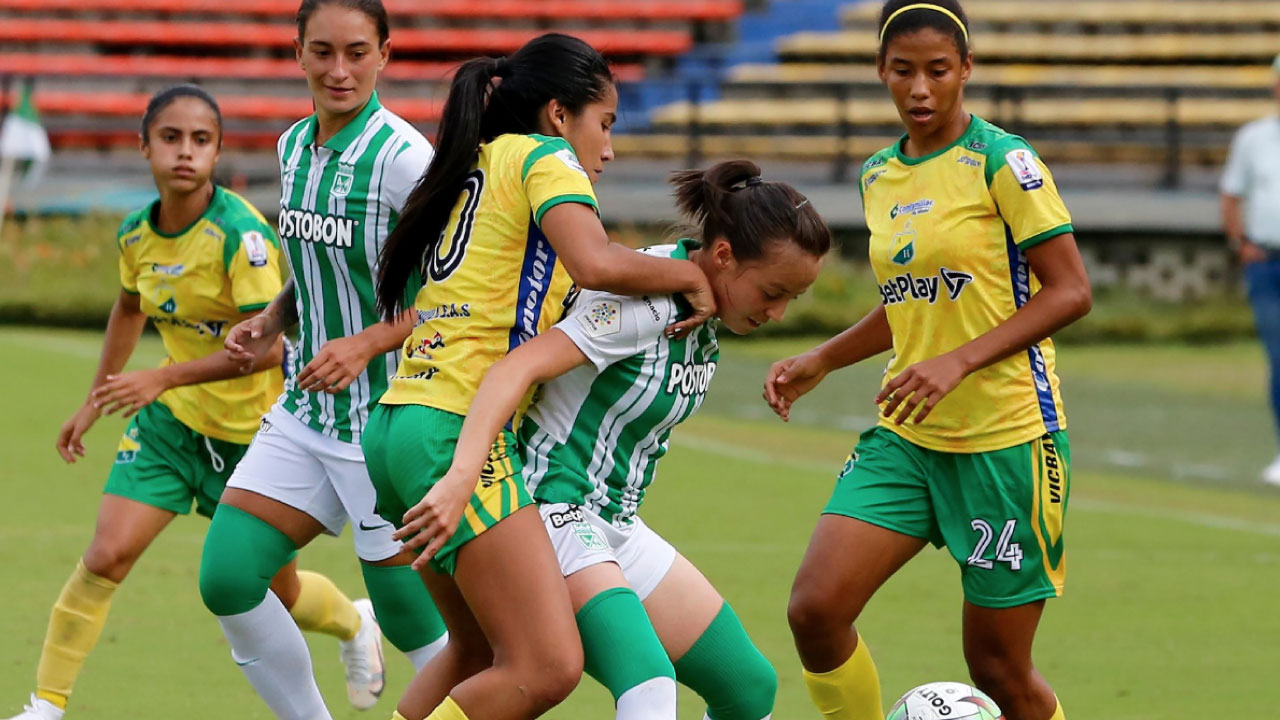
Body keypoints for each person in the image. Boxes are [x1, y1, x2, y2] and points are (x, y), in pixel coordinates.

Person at [363, 32, 721, 720]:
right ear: (560, 115)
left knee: (473, 652)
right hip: (453, 428)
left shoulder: (473, 161)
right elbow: (595, 263)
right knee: (547, 667)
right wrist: (687, 273)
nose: (608, 148)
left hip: (398, 422)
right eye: (606, 123)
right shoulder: (546, 157)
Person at [393, 159, 829, 720]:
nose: (778, 312)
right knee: (648, 686)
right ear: (723, 256)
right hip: (553, 512)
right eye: (773, 292)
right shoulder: (646, 300)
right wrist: (460, 479)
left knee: (748, 687)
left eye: (792, 298)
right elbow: (514, 369)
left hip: (615, 525)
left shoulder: (701, 308)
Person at [765, 2, 1092, 719]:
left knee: (1001, 671)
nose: (920, 88)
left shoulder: (1004, 161)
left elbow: (1070, 292)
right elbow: (912, 299)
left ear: (966, 71)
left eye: (938, 71)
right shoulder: (879, 174)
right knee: (815, 610)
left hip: (1006, 441)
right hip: (908, 438)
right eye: (904, 71)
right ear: (881, 71)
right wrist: (826, 356)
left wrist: (960, 362)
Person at [4, 85, 370, 720]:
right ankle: (47, 705)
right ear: (144, 146)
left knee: (275, 594)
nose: (185, 152)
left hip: (256, 441)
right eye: (170, 138)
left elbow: (273, 347)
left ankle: (353, 622)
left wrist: (162, 378)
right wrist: (97, 399)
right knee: (106, 555)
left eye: (201, 141)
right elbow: (127, 308)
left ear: (218, 152)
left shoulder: (240, 237)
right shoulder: (134, 235)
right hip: (173, 430)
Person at [198, 2, 448, 718]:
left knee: (411, 620)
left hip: (389, 424)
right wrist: (274, 318)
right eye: (323, 52)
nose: (340, 70)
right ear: (298, 52)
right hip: (307, 412)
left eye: (357, 52)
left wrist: (369, 341)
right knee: (229, 577)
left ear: (386, 54)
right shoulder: (292, 146)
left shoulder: (406, 161)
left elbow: (461, 291)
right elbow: (314, 267)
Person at [1221, 52, 1280, 487]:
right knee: (1279, 357)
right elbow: (1231, 193)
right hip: (1267, 261)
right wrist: (1241, 242)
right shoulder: (1254, 138)